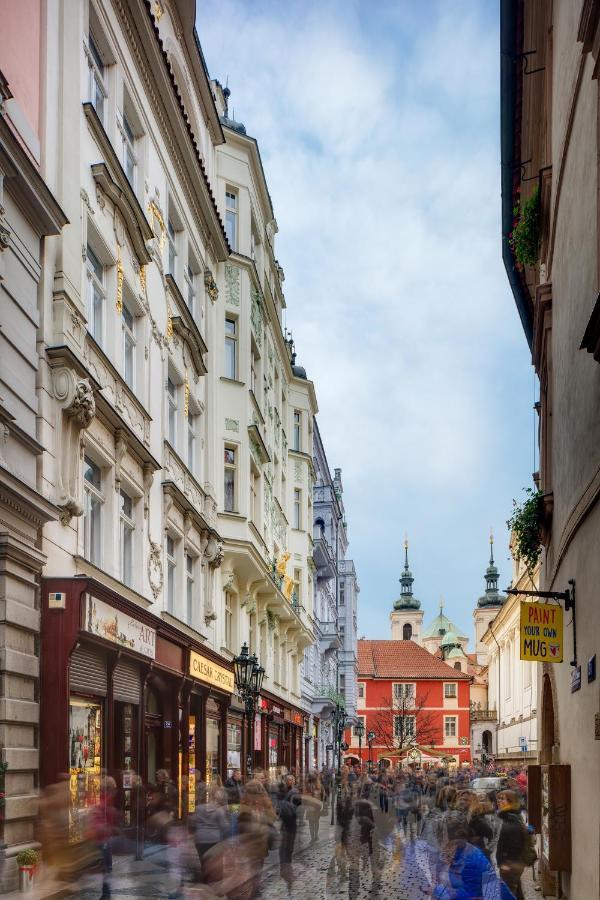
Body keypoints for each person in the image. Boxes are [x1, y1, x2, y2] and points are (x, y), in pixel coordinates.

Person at [496, 790, 528, 900]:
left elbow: (516, 843)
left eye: (502, 799)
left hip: (510, 863)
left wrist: (505, 863)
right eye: (498, 799)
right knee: (516, 892)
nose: (499, 801)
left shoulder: (511, 818)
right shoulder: (510, 816)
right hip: (513, 863)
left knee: (508, 894)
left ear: (511, 802)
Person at [278, 774, 301, 894]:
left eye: (291, 779)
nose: (290, 781)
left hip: (291, 822)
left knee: (289, 844)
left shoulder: (295, 792)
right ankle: (285, 864)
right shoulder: (283, 791)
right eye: (288, 780)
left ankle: (287, 863)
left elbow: (298, 805)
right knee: (285, 844)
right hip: (285, 822)